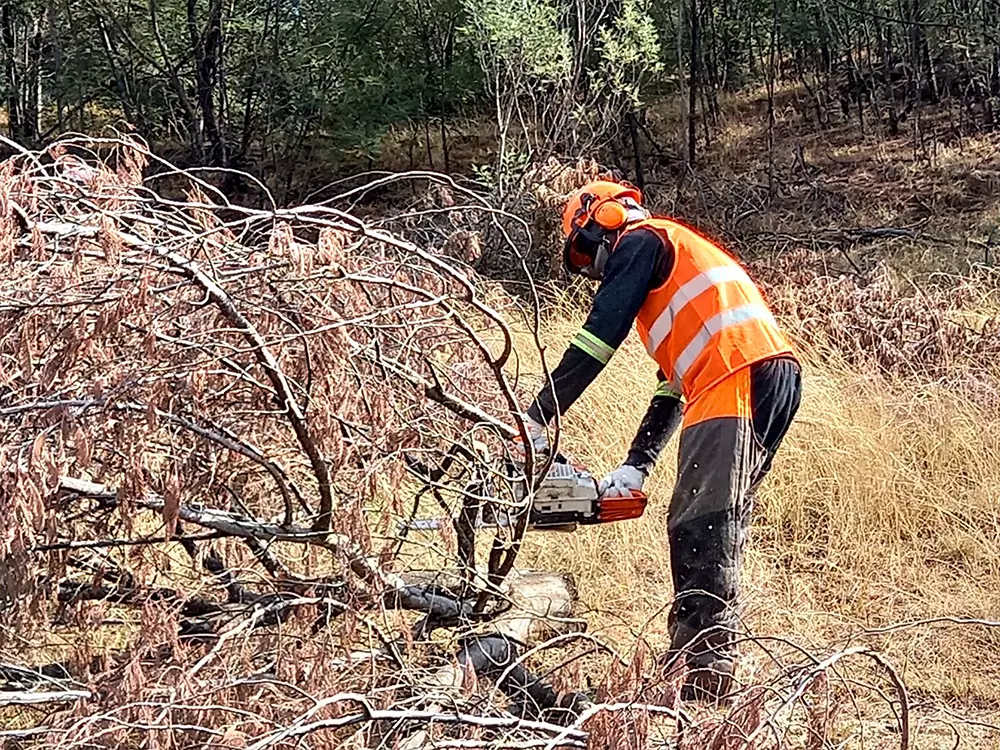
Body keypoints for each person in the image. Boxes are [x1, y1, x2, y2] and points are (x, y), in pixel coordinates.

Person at [519, 179, 802, 703]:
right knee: (715, 516)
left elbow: (600, 334)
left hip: (735, 375)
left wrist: (536, 418)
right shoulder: (674, 271)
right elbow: (671, 388)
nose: (593, 270)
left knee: (702, 521)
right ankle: (695, 660)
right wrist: (636, 466)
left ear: (601, 219)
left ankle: (706, 677)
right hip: (760, 375)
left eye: (587, 254)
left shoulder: (644, 240)